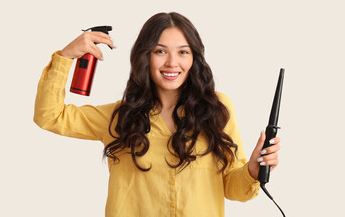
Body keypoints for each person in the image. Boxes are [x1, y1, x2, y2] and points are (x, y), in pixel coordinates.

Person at [34, 12, 281, 217]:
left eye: (183, 52)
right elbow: (50, 116)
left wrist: (251, 169)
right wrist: (65, 57)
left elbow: (233, 188)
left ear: (194, 58)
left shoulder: (217, 110)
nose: (172, 62)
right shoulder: (118, 117)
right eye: (160, 51)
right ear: (145, 56)